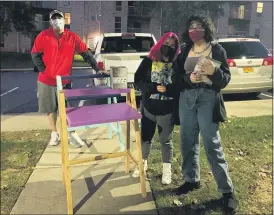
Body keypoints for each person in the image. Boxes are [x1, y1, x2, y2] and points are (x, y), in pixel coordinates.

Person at [174, 15, 238, 213]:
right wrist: (188, 77)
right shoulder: (185, 49)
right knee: (187, 139)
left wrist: (213, 71)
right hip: (187, 98)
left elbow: (225, 79)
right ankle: (191, 179)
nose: (195, 29)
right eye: (192, 25)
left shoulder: (216, 49)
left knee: (211, 142)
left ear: (206, 28)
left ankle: (227, 192)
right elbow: (176, 75)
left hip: (208, 97)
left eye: (199, 26)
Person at [31, 10, 105, 146]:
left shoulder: (72, 37)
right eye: (54, 19)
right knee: (50, 108)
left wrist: (97, 68)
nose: (57, 21)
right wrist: (44, 71)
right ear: (50, 21)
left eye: (59, 18)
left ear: (64, 20)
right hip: (46, 80)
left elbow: (86, 54)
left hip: (64, 81)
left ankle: (71, 134)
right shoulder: (43, 36)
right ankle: (54, 133)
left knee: (67, 109)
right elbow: (35, 55)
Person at [132, 32, 181, 185]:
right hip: (148, 108)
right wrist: (153, 87)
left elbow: (181, 85)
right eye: (166, 43)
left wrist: (169, 89)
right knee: (146, 138)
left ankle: (167, 170)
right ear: (160, 43)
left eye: (173, 45)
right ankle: (143, 163)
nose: (169, 47)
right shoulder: (148, 60)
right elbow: (137, 81)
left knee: (166, 141)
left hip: (167, 110)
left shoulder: (178, 63)